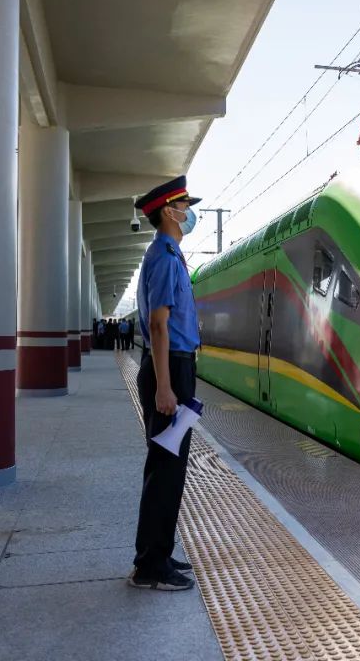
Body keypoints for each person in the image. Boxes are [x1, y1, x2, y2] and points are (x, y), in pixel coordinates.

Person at [129, 175, 202, 592]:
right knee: (165, 470)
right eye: (185, 207)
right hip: (170, 367)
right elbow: (159, 325)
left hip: (174, 366)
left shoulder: (167, 254)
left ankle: (159, 551)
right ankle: (150, 566)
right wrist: (164, 386)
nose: (189, 213)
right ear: (169, 212)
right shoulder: (164, 257)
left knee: (169, 469)